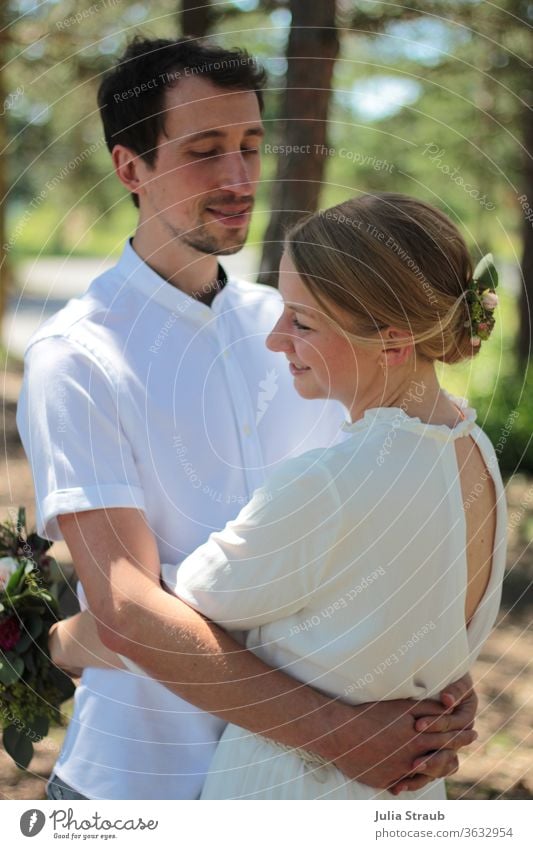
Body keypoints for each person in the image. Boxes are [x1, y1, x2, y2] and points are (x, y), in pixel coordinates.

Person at [17, 37, 476, 801]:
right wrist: (341, 733)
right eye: (204, 150)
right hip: (141, 788)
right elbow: (126, 607)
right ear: (131, 168)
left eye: (250, 146)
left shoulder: (289, 330)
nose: (237, 178)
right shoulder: (78, 355)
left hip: (298, 793)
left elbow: (369, 524)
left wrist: (438, 680)